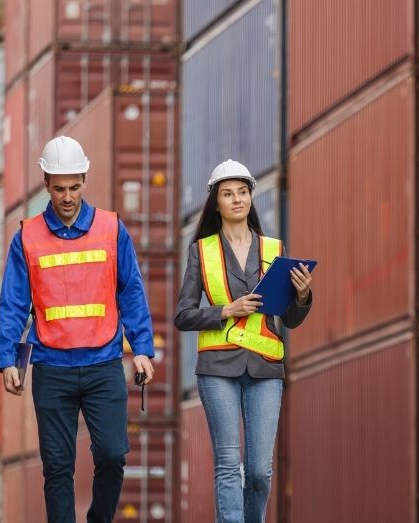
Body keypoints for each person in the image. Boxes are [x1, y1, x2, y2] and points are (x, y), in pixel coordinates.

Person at [0, 135, 156, 523]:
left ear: (85, 178)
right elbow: (14, 303)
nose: (67, 196)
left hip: (103, 363)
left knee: (113, 455)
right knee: (57, 469)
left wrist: (143, 349)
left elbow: (131, 291)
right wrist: (7, 359)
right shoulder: (27, 238)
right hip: (51, 367)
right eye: (59, 188)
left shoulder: (112, 229)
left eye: (74, 186)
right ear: (46, 183)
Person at [174, 159, 313, 522]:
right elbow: (183, 315)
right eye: (227, 193)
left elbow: (290, 320)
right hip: (218, 367)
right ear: (215, 203)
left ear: (251, 197)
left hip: (265, 367)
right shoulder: (200, 252)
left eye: (242, 192)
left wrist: (301, 295)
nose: (236, 199)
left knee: (259, 472)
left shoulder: (274, 249)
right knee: (228, 465)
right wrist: (224, 310)